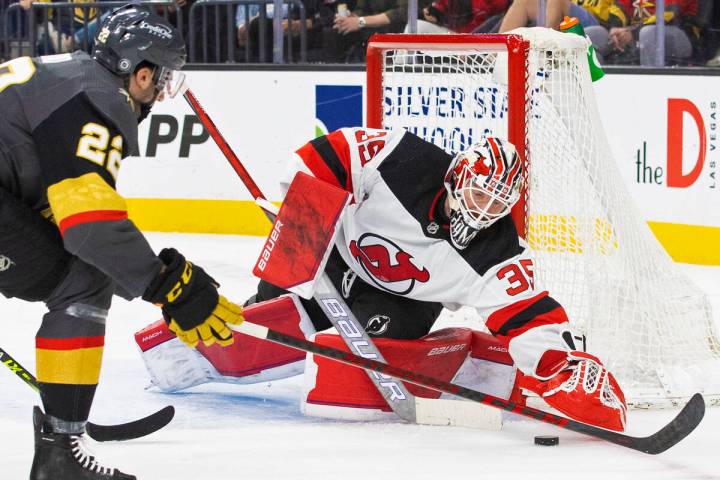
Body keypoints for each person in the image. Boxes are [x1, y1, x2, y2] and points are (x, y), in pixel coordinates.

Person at [243, 128, 628, 432]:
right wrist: (303, 219)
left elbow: (526, 315)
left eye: (497, 203)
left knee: (382, 338)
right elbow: (329, 154)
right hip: (335, 257)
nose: (484, 211)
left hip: (407, 300)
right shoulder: (403, 158)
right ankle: (240, 326)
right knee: (271, 310)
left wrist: (563, 366)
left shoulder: (499, 251)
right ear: (457, 179)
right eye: (479, 195)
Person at [0, 5, 244, 479]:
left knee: (80, 268)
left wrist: (153, 278)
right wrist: (167, 287)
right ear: (142, 72)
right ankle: (59, 457)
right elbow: (89, 227)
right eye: (163, 78)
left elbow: (61, 216)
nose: (160, 92)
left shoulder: (68, 78)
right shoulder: (98, 99)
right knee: (83, 283)